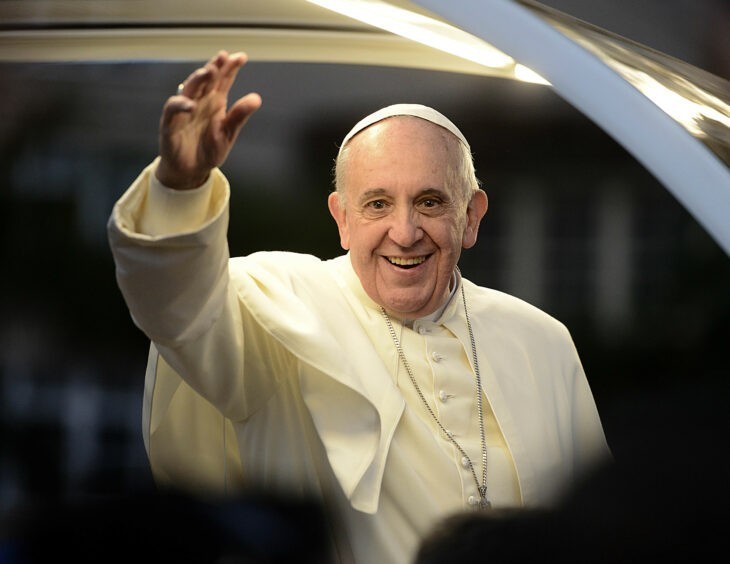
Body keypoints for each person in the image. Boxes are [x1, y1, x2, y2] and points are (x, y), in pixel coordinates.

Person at [108, 51, 611, 564]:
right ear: (342, 219)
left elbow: (602, 528)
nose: (405, 231)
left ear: (471, 216)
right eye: (377, 204)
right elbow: (178, 308)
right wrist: (181, 189)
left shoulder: (541, 340)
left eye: (431, 202)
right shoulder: (275, 304)